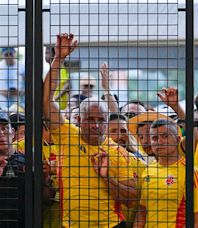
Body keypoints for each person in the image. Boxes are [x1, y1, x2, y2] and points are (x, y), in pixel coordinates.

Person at [43, 33, 136, 227]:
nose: (95, 125)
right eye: (90, 119)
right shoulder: (67, 134)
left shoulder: (118, 152)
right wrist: (59, 58)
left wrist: (107, 177)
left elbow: (131, 199)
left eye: (101, 120)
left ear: (107, 122)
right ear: (78, 119)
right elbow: (46, 100)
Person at [0, 109, 54, 227]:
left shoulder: (29, 162)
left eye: (4, 128)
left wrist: (44, 179)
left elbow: (47, 201)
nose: (1, 134)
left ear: (13, 132)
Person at [133, 119, 198, 228]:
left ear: (177, 140)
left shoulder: (191, 172)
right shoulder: (148, 170)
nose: (159, 142)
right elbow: (142, 212)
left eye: (165, 136)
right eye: (155, 138)